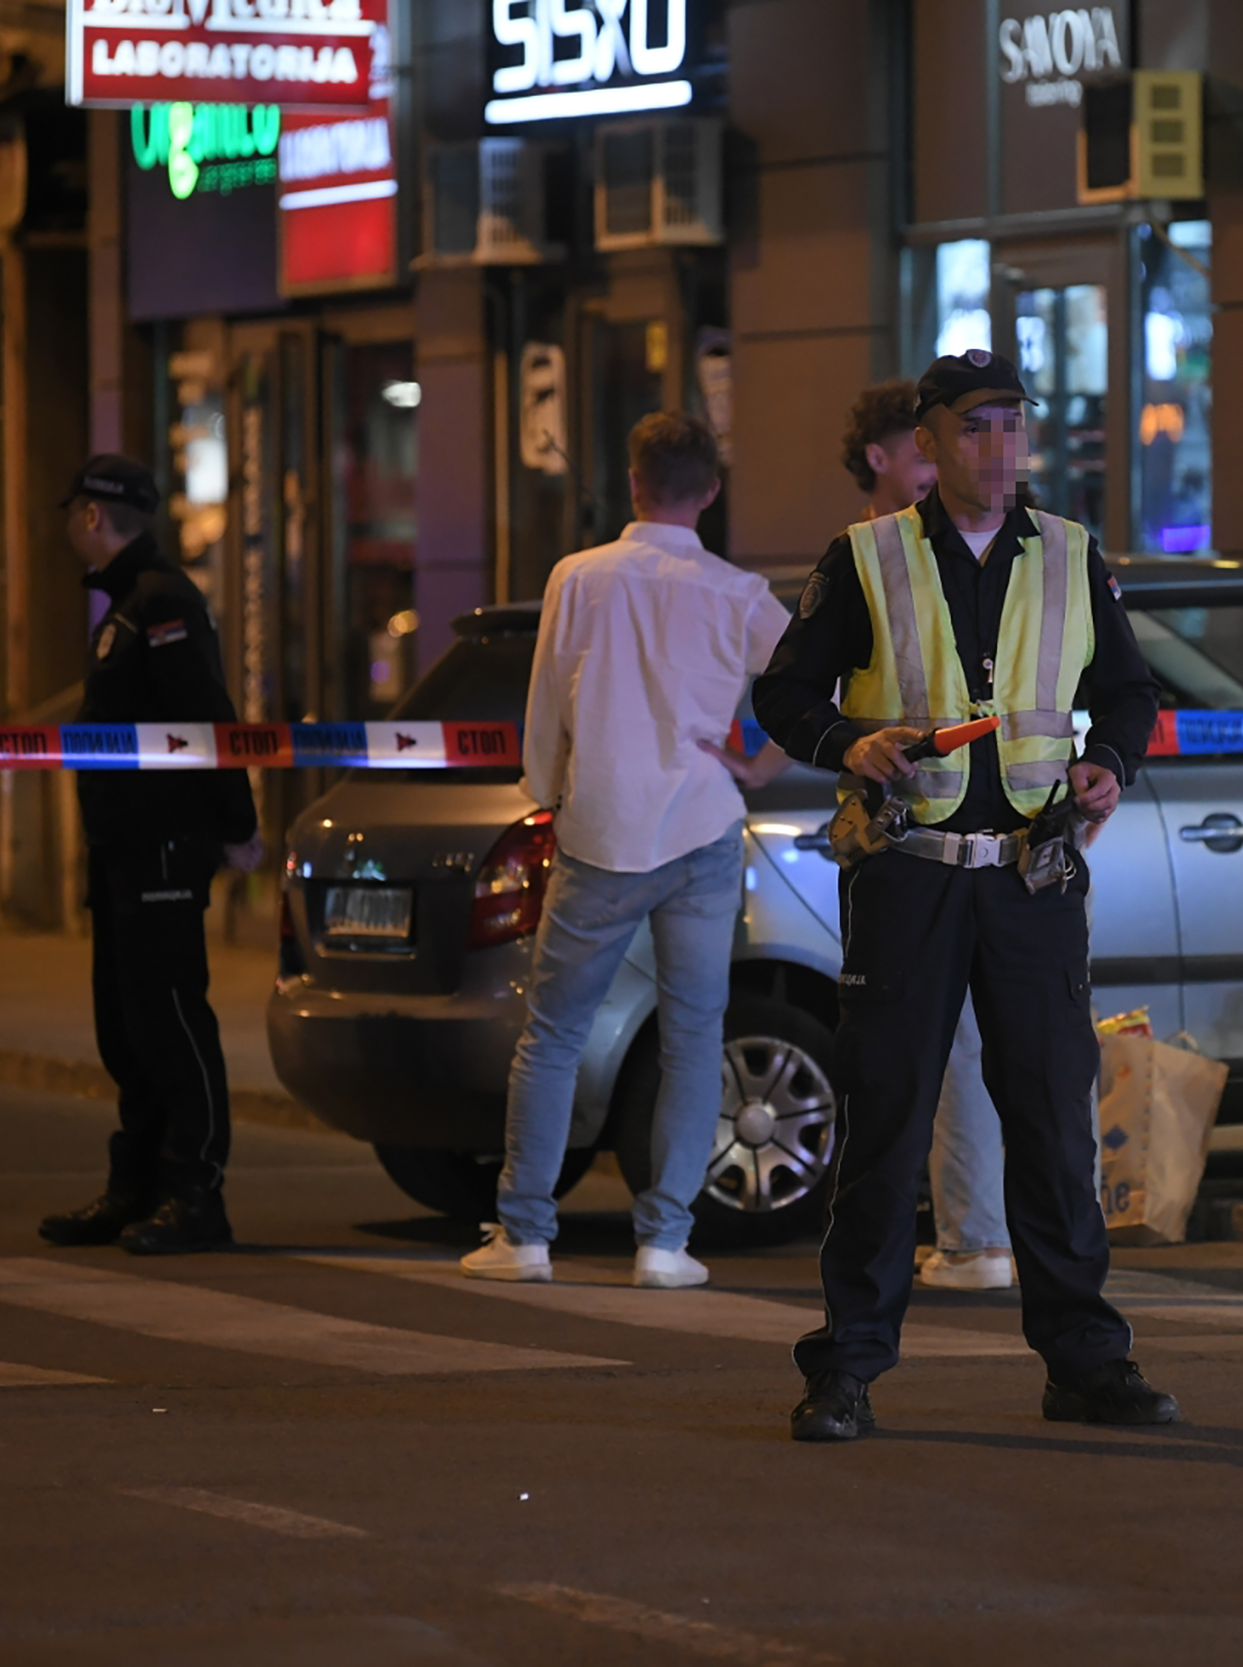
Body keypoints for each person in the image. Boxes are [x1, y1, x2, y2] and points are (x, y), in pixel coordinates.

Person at [756, 349, 1177, 1441]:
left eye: (1015, 425)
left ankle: (1084, 1360)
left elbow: (1126, 689)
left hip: (1032, 876)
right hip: (908, 875)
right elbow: (784, 694)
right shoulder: (867, 558)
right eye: (977, 426)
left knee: (1050, 1120)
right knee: (885, 1118)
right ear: (927, 443)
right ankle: (845, 1366)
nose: (1001, 447)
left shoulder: (1073, 557)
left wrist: (1110, 763)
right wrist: (852, 740)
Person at [463, 411, 791, 1289]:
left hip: (600, 829)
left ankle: (525, 1234)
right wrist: (758, 764)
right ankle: (666, 1242)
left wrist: (548, 788)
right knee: (693, 1036)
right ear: (711, 493)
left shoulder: (579, 577)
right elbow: (821, 682)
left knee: (555, 1033)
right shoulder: (738, 592)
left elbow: (547, 702)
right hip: (703, 825)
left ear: (635, 480)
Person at [39, 454, 266, 1256]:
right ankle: (134, 1187)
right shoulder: (127, 605)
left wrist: (237, 822)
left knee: (170, 1018)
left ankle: (196, 1193)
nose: (68, 525)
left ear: (94, 516)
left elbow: (209, 717)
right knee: (126, 1027)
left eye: (73, 511)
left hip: (165, 847)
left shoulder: (162, 602)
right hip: (123, 848)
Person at [843, 378, 1013, 1293]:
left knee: (957, 1049)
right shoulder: (865, 560)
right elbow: (792, 695)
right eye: (934, 445)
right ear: (888, 454)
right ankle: (962, 1235)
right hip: (901, 843)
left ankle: (976, 1237)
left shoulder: (1014, 552)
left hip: (976, 843)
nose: (953, 463)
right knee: (920, 1053)